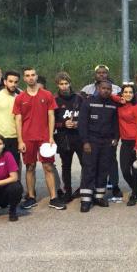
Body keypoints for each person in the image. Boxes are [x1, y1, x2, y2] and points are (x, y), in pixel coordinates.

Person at [13, 67, 66, 210]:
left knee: (48, 166)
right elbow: (18, 120)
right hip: (27, 138)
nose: (30, 77)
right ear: (24, 79)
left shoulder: (47, 95)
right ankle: (31, 197)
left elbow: (51, 116)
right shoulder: (19, 98)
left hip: (44, 137)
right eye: (27, 75)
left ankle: (54, 198)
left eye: (33, 75)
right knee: (30, 167)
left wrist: (50, 137)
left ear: (37, 76)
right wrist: (20, 140)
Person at [77, 81, 120, 212]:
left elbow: (116, 124)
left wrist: (116, 138)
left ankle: (99, 196)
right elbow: (82, 124)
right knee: (89, 169)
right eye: (103, 88)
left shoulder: (113, 105)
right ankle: (86, 199)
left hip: (107, 142)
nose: (106, 91)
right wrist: (85, 142)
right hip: (91, 141)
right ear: (98, 88)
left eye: (108, 89)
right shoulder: (88, 102)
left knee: (103, 169)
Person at [53, 72, 84, 203]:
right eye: (61, 84)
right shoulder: (55, 100)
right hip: (63, 137)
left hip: (79, 136)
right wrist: (63, 123)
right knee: (66, 166)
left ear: (70, 83)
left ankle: (84, 188)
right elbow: (51, 121)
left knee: (86, 164)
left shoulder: (79, 98)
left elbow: (86, 116)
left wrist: (78, 123)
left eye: (66, 83)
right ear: (57, 85)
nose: (64, 86)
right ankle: (68, 191)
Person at [0, 70, 21, 175]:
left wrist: (21, 139)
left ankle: (15, 190)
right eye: (10, 81)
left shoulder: (20, 97)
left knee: (15, 167)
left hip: (15, 138)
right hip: (0, 138)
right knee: (0, 168)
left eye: (15, 82)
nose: (13, 84)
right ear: (5, 82)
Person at [115, 84, 137, 206]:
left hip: (135, 142)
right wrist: (118, 99)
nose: (128, 94)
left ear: (134, 94)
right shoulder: (119, 106)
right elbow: (111, 95)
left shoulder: (136, 106)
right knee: (125, 170)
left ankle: (134, 194)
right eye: (125, 92)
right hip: (125, 142)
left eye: (130, 92)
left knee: (136, 170)